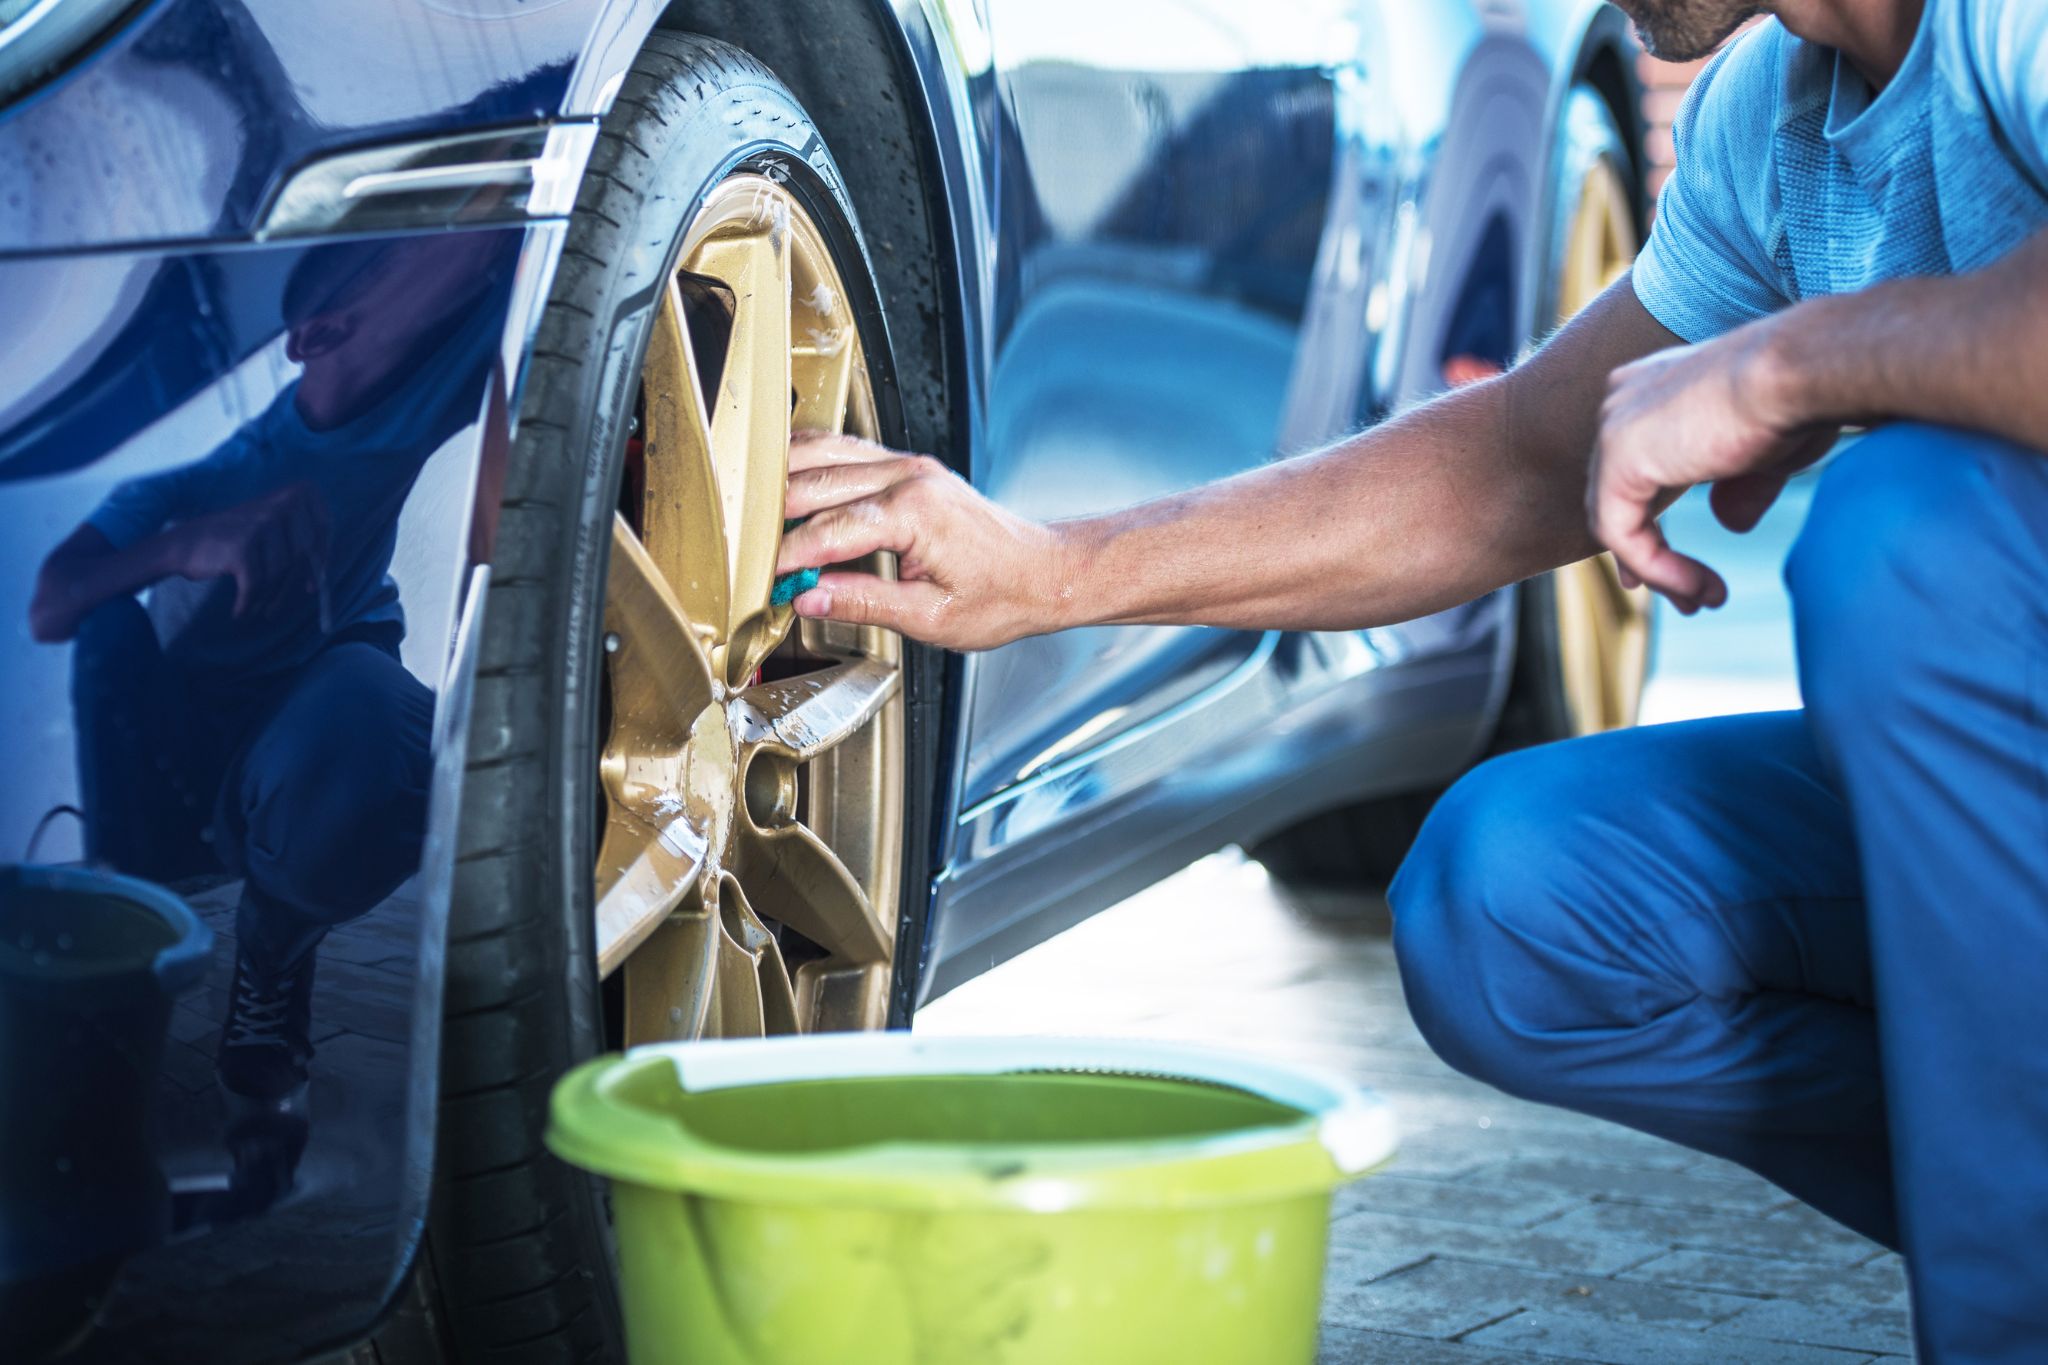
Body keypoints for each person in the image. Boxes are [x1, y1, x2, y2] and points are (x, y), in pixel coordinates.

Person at [770, 0, 2048, 1357]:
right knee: (1516, 905)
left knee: (1909, 545)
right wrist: (1048, 573)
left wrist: (1789, 362)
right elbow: (1515, 460)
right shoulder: (1776, 125)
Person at [28, 233, 508, 1104]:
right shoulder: (206, 467)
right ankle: (122, 931)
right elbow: (50, 598)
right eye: (420, 257)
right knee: (104, 634)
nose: (463, 259)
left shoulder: (441, 368)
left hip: (321, 689)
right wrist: (188, 542)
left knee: (376, 728)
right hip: (186, 727)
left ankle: (274, 952)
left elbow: (520, 249)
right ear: (319, 334)